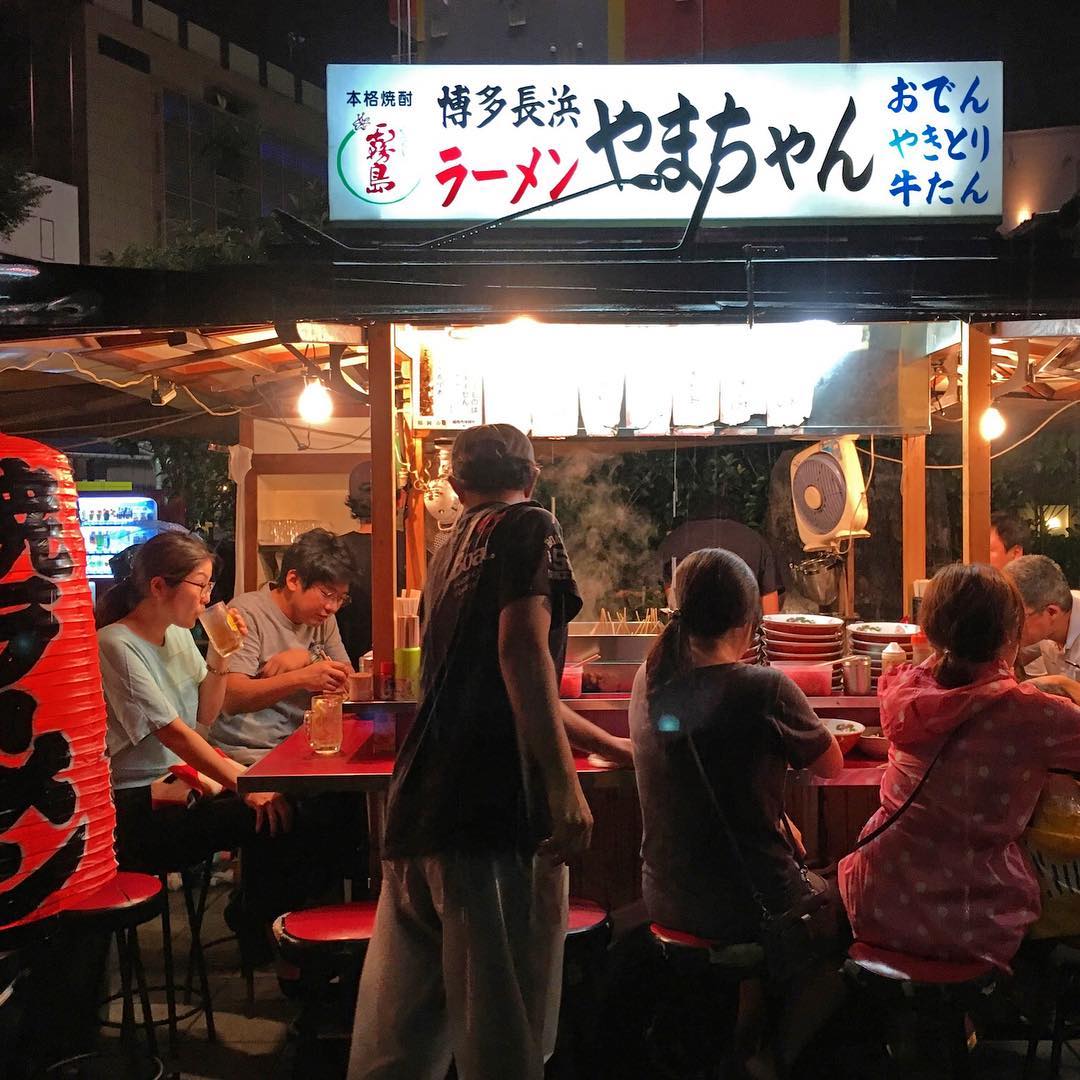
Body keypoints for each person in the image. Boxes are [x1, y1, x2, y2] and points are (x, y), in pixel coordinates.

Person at [348, 423, 616, 1080]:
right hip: (491, 811)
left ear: (455, 482)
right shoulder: (530, 526)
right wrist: (562, 786)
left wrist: (611, 745)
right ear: (533, 474)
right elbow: (522, 651)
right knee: (504, 1040)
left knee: (398, 1042)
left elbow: (507, 676)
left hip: (419, 807)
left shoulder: (450, 546)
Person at [630, 547, 843, 1076]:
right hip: (746, 907)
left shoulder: (647, 680)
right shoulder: (765, 687)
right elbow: (832, 766)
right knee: (843, 917)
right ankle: (773, 1056)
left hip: (664, 897)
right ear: (750, 621)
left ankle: (742, 1032)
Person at [839, 563, 1080, 970]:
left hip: (877, 897)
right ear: (1011, 634)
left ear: (930, 630)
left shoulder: (904, 691)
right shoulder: (1036, 716)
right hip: (976, 918)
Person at [96, 533, 293, 899]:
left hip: (183, 787)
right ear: (158, 586)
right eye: (201, 585)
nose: (207, 597)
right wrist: (248, 786)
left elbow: (207, 712)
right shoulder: (115, 644)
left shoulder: (178, 634)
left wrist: (222, 651)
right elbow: (175, 736)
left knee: (285, 802)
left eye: (209, 585)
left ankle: (260, 923)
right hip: (138, 806)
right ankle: (257, 926)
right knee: (265, 817)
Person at [213, 528, 355, 764]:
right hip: (250, 753)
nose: (333, 607)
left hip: (302, 746)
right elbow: (231, 697)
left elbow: (347, 681)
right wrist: (302, 678)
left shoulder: (324, 618)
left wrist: (307, 659)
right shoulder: (246, 612)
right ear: (293, 580)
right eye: (327, 594)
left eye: (341, 598)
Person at [658, 497, 783, 615]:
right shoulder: (756, 542)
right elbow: (771, 614)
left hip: (690, 631)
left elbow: (673, 603)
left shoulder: (675, 540)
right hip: (739, 631)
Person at [1003, 554, 1080, 682]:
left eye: (1017, 618)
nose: (1009, 626)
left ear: (1051, 613)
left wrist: (1060, 683)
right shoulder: (1051, 621)